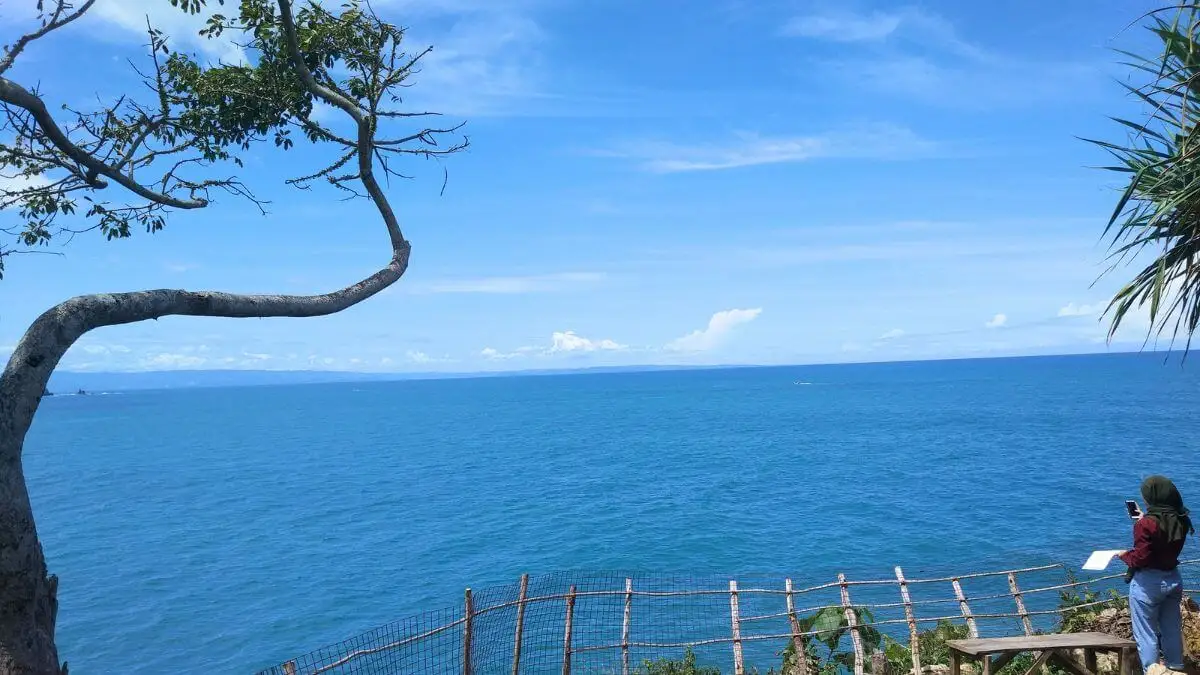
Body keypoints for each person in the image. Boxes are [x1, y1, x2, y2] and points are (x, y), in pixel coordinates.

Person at [1119, 476, 1194, 673]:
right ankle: (1175, 669)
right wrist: (1145, 519)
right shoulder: (1181, 519)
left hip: (1148, 583)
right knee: (1171, 629)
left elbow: (1140, 558)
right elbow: (1163, 534)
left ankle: (1151, 671)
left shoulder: (1145, 525)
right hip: (1173, 579)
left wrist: (1123, 555)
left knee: (1146, 633)